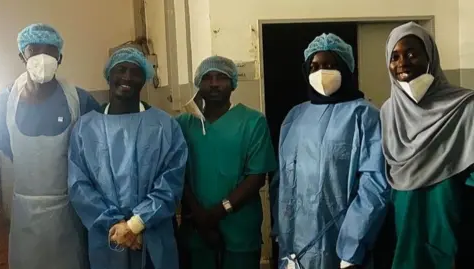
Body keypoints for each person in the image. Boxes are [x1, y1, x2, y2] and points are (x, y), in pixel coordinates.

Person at [270, 33, 390, 269]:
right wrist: (280, 230)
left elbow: (374, 185)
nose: (321, 73)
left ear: (345, 68)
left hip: (340, 245)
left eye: (329, 65)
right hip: (293, 248)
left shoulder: (364, 115)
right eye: (314, 67)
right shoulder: (295, 116)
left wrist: (353, 246)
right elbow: (281, 180)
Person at [68, 47, 187, 269]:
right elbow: (79, 185)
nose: (127, 77)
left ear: (145, 79)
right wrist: (116, 224)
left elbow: (171, 181)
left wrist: (136, 224)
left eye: (136, 72)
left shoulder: (165, 126)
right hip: (109, 236)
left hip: (152, 236)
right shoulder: (85, 128)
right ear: (108, 75)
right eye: (121, 70)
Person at [0, 23, 100, 269]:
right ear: (22, 55)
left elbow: (98, 152)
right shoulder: (4, 102)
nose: (42, 57)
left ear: (60, 57)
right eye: (34, 50)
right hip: (23, 211)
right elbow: (1, 146)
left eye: (50, 50)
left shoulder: (79, 100)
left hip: (68, 210)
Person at [381, 21, 474, 269]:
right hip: (404, 228)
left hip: (451, 222)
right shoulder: (388, 113)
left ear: (431, 56)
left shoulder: (465, 107)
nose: (403, 63)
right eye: (395, 56)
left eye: (412, 53)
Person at [177, 56, 277, 269]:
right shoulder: (183, 124)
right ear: (198, 83)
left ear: (233, 82)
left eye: (221, 77)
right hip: (196, 228)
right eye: (207, 78)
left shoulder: (253, 122)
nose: (214, 83)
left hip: (239, 226)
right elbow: (176, 174)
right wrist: (200, 217)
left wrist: (215, 214)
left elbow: (256, 177)